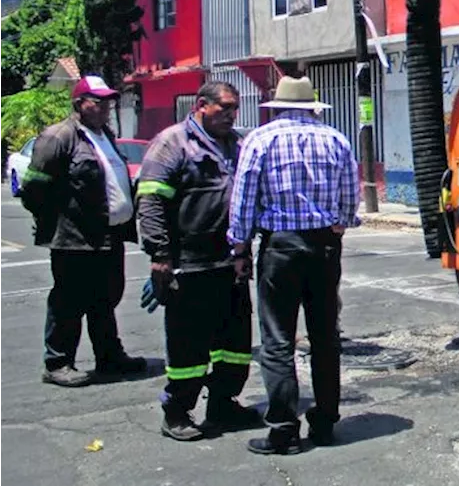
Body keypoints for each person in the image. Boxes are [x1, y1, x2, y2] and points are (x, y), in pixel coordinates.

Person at [228, 75, 360, 455]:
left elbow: (243, 201)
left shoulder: (260, 139)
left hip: (280, 250)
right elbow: (349, 201)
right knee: (324, 337)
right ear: (312, 106)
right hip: (323, 248)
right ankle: (325, 423)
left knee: (277, 341)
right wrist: (339, 222)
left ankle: (283, 430)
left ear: (279, 104)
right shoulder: (336, 140)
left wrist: (239, 247)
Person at [136, 81, 263, 441]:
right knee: (188, 345)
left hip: (231, 262)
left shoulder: (237, 144)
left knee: (235, 343)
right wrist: (159, 255)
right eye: (223, 107)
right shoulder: (172, 143)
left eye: (234, 108)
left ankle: (223, 404)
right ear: (200, 105)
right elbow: (151, 202)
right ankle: (177, 411)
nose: (230, 115)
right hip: (188, 264)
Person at [22, 75, 147, 387]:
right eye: (98, 100)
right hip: (75, 239)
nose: (106, 106)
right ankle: (58, 362)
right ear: (79, 104)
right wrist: (56, 220)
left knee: (105, 299)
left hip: (109, 236)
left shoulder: (104, 133)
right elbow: (34, 188)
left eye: (108, 100)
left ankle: (109, 356)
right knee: (69, 300)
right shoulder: (59, 136)